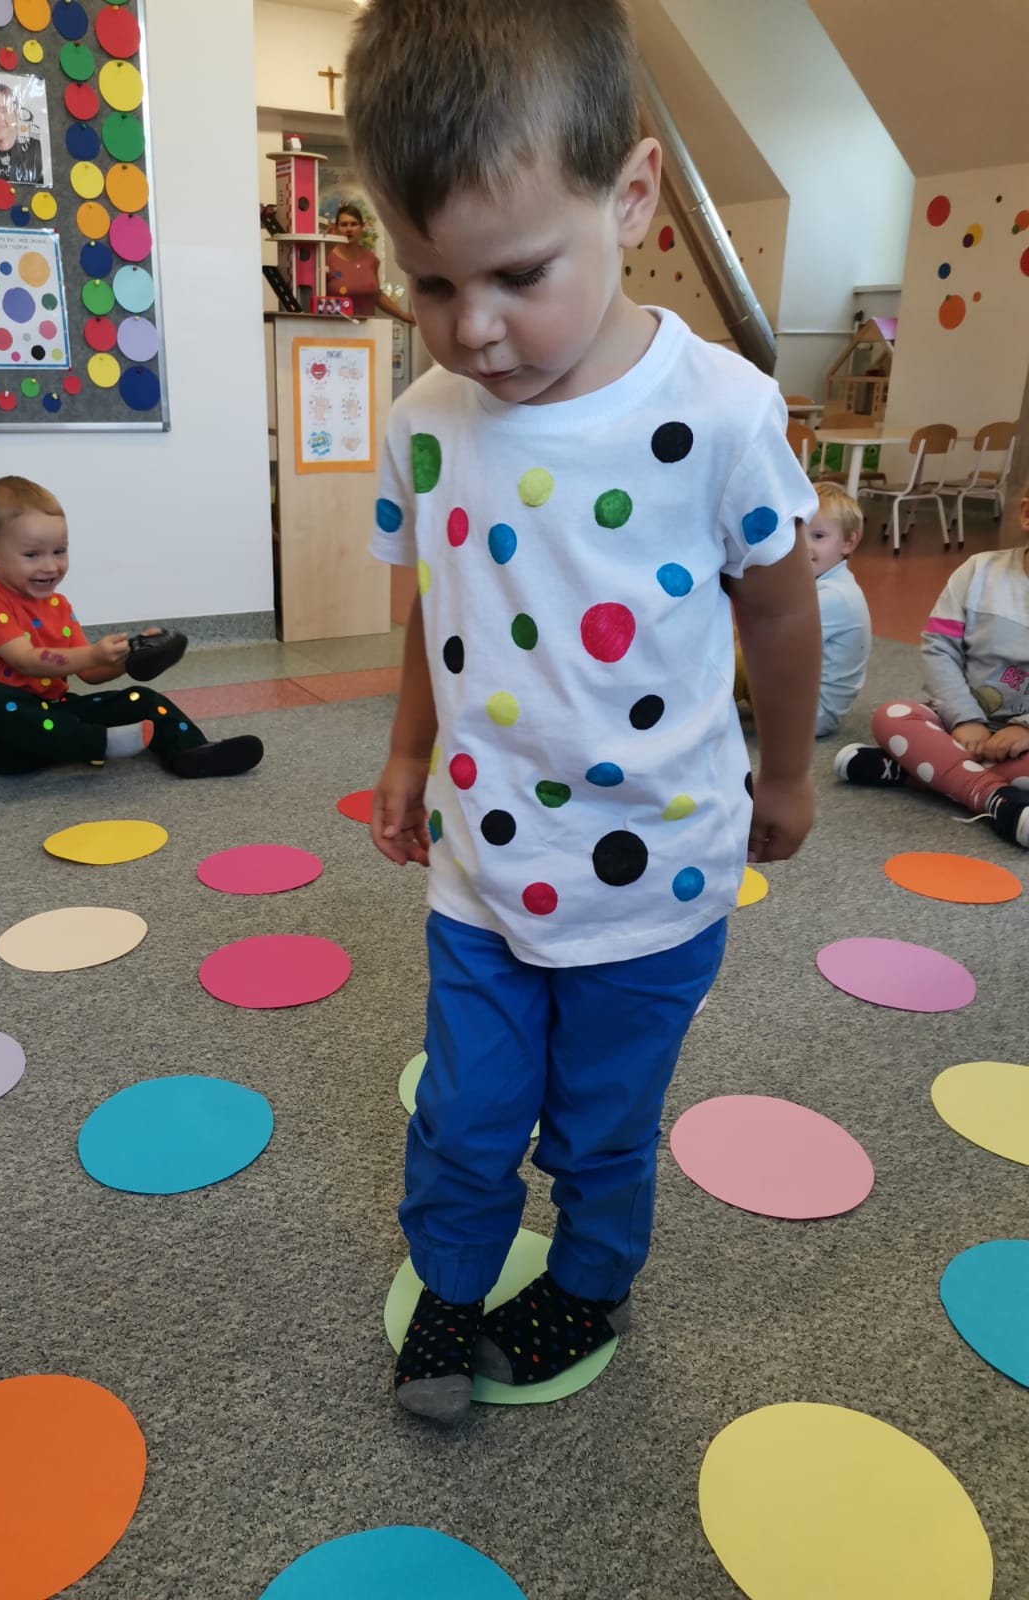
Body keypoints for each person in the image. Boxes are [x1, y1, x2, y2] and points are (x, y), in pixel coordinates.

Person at [347, 0, 822, 1423]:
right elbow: (435, 597)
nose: (472, 329)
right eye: (431, 283)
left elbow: (780, 609)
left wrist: (787, 776)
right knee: (465, 1112)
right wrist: (408, 746)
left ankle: (591, 1280)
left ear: (629, 196)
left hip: (659, 870)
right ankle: (451, 1281)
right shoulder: (427, 421)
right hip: (482, 864)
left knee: (603, 1126)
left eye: (516, 274)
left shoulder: (722, 411)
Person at [0, 476, 263, 779]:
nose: (50, 566)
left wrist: (129, 656)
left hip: (56, 716)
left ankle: (191, 751)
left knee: (141, 699)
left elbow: (90, 672)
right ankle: (98, 743)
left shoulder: (58, 605)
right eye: (32, 555)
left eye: (59, 551)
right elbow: (26, 660)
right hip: (4, 741)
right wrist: (93, 654)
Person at [836, 487, 1029, 847]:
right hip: (957, 721)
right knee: (891, 717)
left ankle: (911, 770)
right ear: (1027, 514)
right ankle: (994, 798)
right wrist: (965, 719)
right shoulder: (979, 572)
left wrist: (1024, 729)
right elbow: (940, 648)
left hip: (1023, 742)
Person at [737, 483, 871, 734]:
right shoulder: (824, 583)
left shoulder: (835, 596)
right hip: (804, 701)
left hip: (810, 716)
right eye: (796, 534)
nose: (802, 547)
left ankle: (692, 712)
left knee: (732, 656)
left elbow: (765, 642)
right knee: (732, 636)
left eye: (818, 536)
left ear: (849, 542)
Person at [326, 204, 416, 323]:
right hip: (333, 329)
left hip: (368, 331)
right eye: (344, 224)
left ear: (362, 227)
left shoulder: (371, 260)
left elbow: (377, 296)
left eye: (354, 224)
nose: (349, 229)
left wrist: (401, 314)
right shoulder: (326, 259)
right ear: (336, 228)